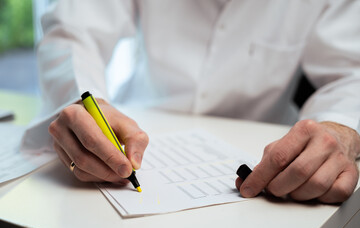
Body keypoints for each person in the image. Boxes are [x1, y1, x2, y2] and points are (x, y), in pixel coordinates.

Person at [23, 0, 360, 203]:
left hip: (264, 152)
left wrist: (340, 127)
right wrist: (83, 101)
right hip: (135, 127)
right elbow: (72, 30)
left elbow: (350, 73)